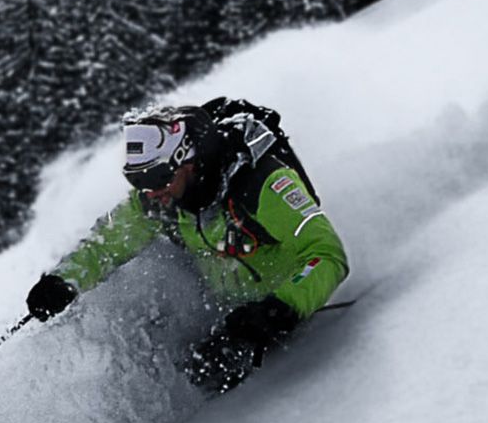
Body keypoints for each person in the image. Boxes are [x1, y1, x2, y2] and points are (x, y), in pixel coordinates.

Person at [25, 97, 349, 396]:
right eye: (138, 181)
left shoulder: (262, 184)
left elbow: (328, 254)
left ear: (187, 162)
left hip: (279, 313)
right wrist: (63, 281)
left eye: (157, 178)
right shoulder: (160, 202)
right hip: (228, 315)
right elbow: (106, 245)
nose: (150, 192)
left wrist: (277, 311)